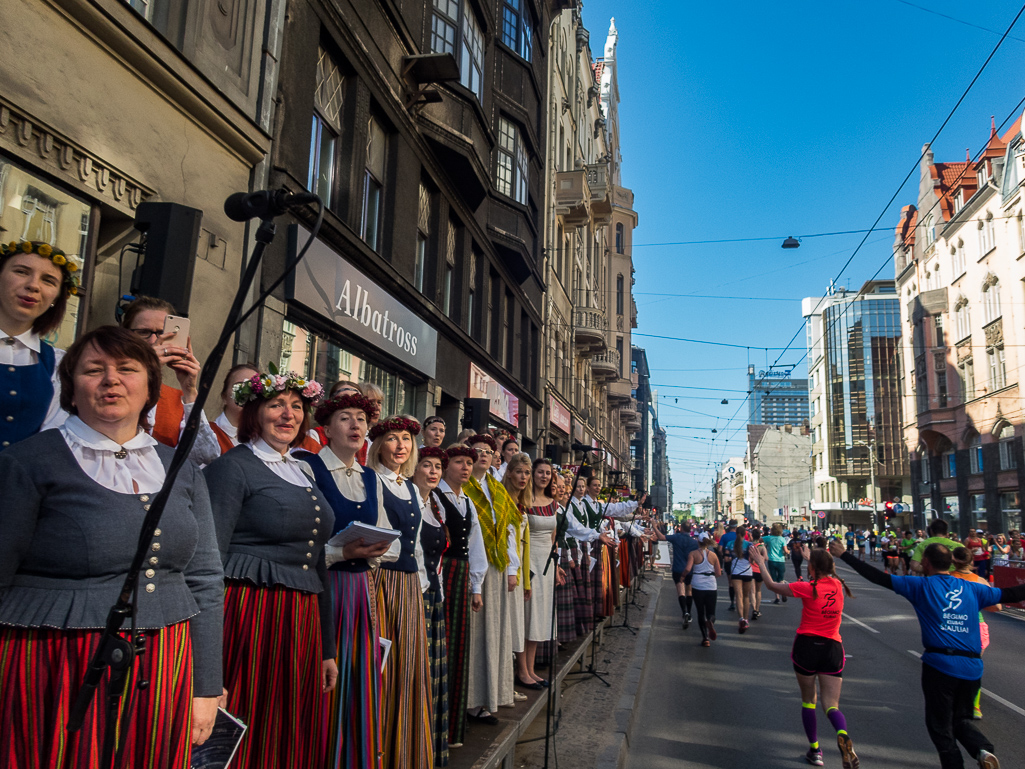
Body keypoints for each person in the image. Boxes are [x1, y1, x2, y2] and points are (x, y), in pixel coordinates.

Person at [0, 326, 223, 766]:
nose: (111, 380)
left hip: (166, 665)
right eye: (93, 369)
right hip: (56, 661)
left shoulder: (179, 467)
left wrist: (206, 686)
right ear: (70, 387)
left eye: (127, 369)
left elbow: (205, 579)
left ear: (150, 387)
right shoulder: (27, 462)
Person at [204, 368, 334, 769]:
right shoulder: (233, 467)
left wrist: (327, 648)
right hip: (249, 615)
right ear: (255, 413)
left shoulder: (303, 468)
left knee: (290, 725)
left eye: (296, 406)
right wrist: (206, 664)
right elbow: (207, 561)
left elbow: (318, 564)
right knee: (247, 719)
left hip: (300, 622)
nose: (288, 414)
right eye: (277, 404)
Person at [831, 538, 1025, 769]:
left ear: (926, 562)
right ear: (950, 563)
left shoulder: (920, 586)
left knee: (940, 727)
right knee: (961, 720)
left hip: (940, 664)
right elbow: (1011, 594)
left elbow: (878, 577)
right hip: (973, 668)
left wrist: (844, 555)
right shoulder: (973, 589)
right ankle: (982, 750)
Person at [294, 392, 397, 769]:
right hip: (323, 589)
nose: (355, 425)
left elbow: (391, 541)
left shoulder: (371, 478)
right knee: (324, 675)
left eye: (361, 419)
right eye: (345, 418)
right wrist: (342, 553)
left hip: (359, 591)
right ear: (325, 428)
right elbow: (296, 544)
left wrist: (376, 548)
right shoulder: (307, 467)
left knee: (359, 680)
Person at [750, 545, 858, 769]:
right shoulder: (839, 585)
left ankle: (815, 750)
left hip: (807, 646)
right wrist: (814, 559)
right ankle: (842, 733)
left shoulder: (808, 587)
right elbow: (828, 570)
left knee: (809, 700)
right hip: (832, 648)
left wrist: (761, 563)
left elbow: (772, 585)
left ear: (812, 568)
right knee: (831, 705)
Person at [366, 415, 434, 769]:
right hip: (379, 582)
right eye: (392, 438)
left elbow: (417, 543)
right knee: (381, 667)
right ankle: (375, 749)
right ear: (379, 445)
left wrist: (420, 583)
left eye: (406, 439)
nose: (400, 445)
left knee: (408, 669)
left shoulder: (409, 487)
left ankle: (404, 752)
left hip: (407, 585)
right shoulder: (370, 481)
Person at [120, 296, 220, 464]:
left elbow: (206, 455)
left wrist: (190, 392)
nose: (154, 341)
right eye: (143, 332)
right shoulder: (108, 386)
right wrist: (147, 368)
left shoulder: (178, 400)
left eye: (162, 333)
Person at [435, 444, 488, 748]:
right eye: (459, 462)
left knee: (458, 647)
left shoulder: (467, 501)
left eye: (469, 462)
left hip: (462, 574)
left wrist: (476, 587)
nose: (466, 467)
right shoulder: (438, 499)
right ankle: (437, 725)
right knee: (443, 648)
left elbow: (475, 545)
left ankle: (452, 725)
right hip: (444, 572)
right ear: (447, 465)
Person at [463, 433, 519, 723]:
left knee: (494, 631)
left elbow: (509, 530)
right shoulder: (464, 486)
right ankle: (471, 698)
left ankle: (490, 694)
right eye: (477, 450)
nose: (483, 455)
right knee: (475, 633)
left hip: (495, 567)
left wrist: (512, 568)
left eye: (488, 451)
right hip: (473, 567)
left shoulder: (497, 489)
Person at [0, 239, 77, 449]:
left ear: (56, 297)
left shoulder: (59, 366)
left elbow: (52, 437)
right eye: (21, 271)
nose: (33, 285)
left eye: (48, 280)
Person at [414, 446, 450, 767]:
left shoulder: (436, 503)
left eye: (438, 466)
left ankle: (431, 745)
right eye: (427, 465)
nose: (433, 471)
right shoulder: (408, 497)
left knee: (433, 670)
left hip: (433, 593)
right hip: (413, 593)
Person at [951, 546, 1001, 721]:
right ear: (972, 562)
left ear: (953, 561)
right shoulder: (980, 581)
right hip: (977, 625)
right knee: (973, 664)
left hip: (952, 624)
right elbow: (997, 607)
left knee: (952, 663)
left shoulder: (946, 579)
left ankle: (956, 700)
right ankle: (974, 706)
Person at [502, 454, 537, 689]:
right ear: (509, 473)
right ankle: (509, 681)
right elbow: (506, 539)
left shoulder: (521, 502)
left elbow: (525, 546)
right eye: (519, 472)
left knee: (517, 626)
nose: (523, 477)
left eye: (526, 473)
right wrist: (511, 572)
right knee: (508, 627)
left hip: (520, 571)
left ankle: (519, 675)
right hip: (507, 570)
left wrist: (527, 581)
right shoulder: (504, 499)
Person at [210, 363, 259, 453]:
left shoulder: (264, 438)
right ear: (224, 397)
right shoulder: (208, 434)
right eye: (239, 386)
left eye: (253, 388)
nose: (246, 393)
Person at [682, 536, 721, 646]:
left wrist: (683, 576)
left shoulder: (693, 554)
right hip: (711, 585)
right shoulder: (713, 555)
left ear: (698, 542)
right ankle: (710, 621)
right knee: (711, 611)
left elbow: (688, 569)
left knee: (700, 612)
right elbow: (718, 573)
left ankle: (705, 638)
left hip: (697, 584)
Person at [665, 522, 700, 627]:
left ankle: (684, 611)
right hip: (689, 569)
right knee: (689, 591)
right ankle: (689, 613)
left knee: (681, 591)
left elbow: (662, 537)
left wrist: (654, 526)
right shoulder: (694, 542)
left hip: (677, 568)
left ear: (681, 528)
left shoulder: (676, 537)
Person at [730, 525, 756, 633]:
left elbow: (726, 558)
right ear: (745, 534)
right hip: (747, 572)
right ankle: (746, 619)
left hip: (735, 572)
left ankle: (740, 618)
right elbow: (753, 561)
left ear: (736, 533)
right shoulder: (749, 545)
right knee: (746, 596)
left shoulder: (730, 544)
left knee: (738, 596)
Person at [764, 523, 789, 604]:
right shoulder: (782, 539)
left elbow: (759, 540)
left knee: (774, 579)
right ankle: (783, 593)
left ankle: (777, 597)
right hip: (781, 560)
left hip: (771, 560)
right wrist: (788, 552)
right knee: (781, 579)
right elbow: (785, 550)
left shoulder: (768, 538)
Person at [749, 527, 767, 620]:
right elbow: (766, 558)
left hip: (750, 570)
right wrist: (760, 560)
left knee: (752, 591)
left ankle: (754, 609)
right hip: (759, 570)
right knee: (758, 590)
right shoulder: (762, 547)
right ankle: (757, 609)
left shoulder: (750, 546)